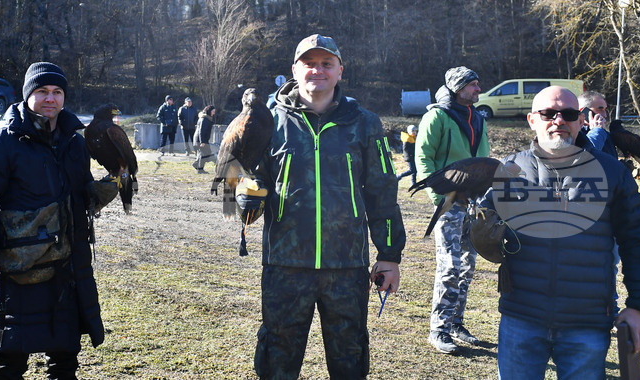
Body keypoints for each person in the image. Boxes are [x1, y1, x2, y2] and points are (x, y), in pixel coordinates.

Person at [246, 33, 405, 379]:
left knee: (350, 358)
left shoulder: (364, 123)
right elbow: (240, 177)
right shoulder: (268, 122)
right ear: (294, 69)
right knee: (276, 358)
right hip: (285, 265)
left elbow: (382, 191)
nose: (317, 70)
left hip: (346, 268)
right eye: (309, 63)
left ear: (339, 71)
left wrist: (390, 255)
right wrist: (242, 195)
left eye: (326, 64)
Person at [486, 86, 640, 379]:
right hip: (521, 319)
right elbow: (481, 235)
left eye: (568, 114)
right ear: (532, 120)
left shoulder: (611, 172)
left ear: (581, 120)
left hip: (587, 323)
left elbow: (638, 238)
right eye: (548, 113)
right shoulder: (510, 170)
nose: (559, 120)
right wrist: (480, 229)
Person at [0, 62, 106, 379]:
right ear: (27, 94)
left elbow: (79, 190)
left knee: (65, 358)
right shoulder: (4, 139)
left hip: (68, 264)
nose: (50, 99)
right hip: (22, 265)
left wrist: (99, 192)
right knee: (11, 360)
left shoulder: (75, 141)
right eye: (42, 91)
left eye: (57, 92)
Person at [415, 66, 489, 354]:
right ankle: (439, 329)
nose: (478, 90)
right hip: (447, 203)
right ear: (459, 88)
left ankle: (457, 324)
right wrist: (438, 197)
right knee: (449, 266)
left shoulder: (479, 118)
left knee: (468, 266)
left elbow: (484, 160)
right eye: (473, 85)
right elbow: (423, 157)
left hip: (474, 203)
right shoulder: (436, 116)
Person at [579, 90, 618, 158]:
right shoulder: (573, 134)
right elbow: (587, 156)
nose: (605, 115)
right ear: (583, 111)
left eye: (605, 109)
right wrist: (596, 131)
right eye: (600, 109)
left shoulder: (603, 132)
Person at [191, 105, 216, 173]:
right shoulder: (204, 119)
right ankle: (200, 169)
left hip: (202, 139)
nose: (214, 113)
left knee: (206, 153)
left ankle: (196, 164)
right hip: (200, 140)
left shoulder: (207, 118)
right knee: (204, 154)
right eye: (213, 111)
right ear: (209, 111)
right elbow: (201, 131)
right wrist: (202, 142)